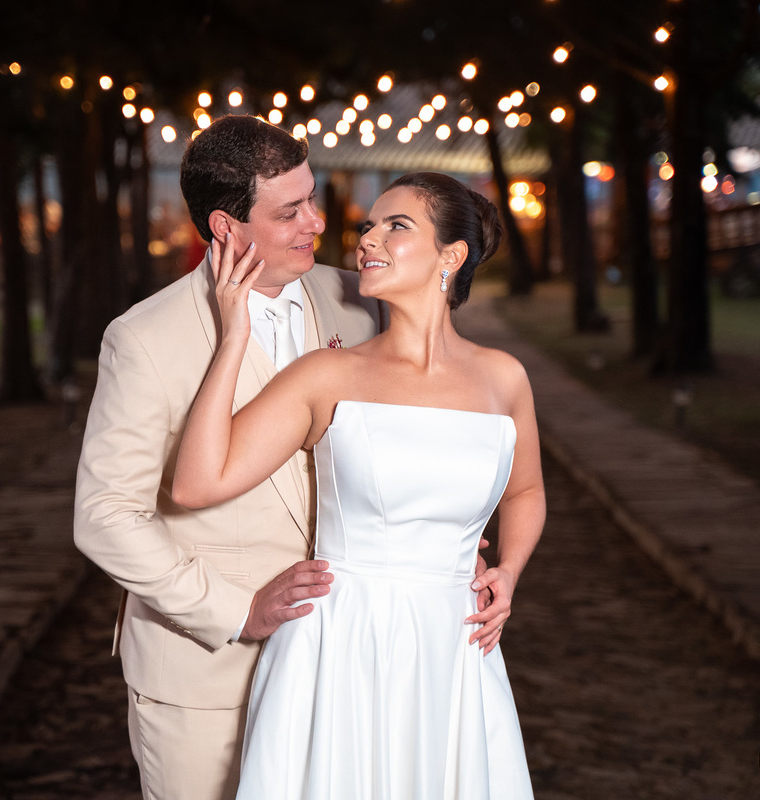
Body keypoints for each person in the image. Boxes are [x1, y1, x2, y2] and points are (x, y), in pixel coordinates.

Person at [172, 172, 545, 799]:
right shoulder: (328, 375)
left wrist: (508, 569)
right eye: (369, 226)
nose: (367, 239)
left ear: (451, 256)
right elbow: (195, 484)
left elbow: (527, 492)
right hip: (338, 640)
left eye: (396, 226)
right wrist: (232, 334)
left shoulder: (503, 379)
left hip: (452, 645)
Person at [74, 115, 387, 800]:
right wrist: (236, 611)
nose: (317, 220)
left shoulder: (360, 308)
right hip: (207, 677)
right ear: (225, 227)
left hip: (343, 663)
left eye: (313, 197)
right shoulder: (143, 339)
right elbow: (104, 516)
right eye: (290, 210)